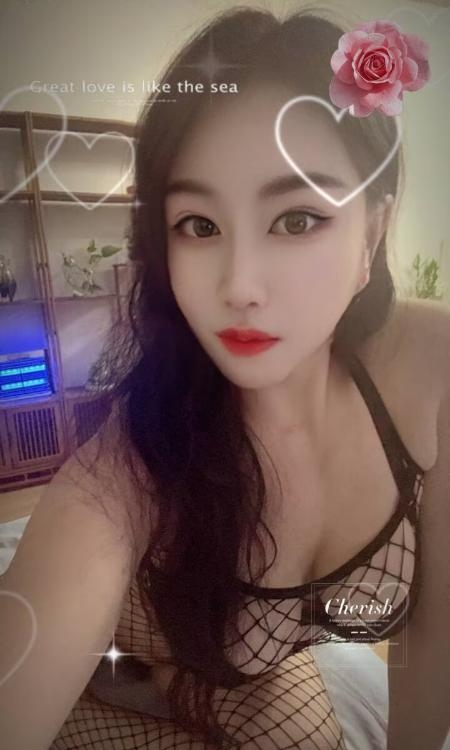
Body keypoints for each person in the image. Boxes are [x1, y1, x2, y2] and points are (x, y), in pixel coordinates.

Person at [1, 6, 449, 750]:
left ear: (372, 229)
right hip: (99, 667)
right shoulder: (135, 455)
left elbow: (432, 637)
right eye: (199, 226)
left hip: (227, 672)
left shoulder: (432, 372)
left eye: (296, 219)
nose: (239, 286)